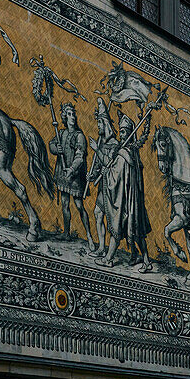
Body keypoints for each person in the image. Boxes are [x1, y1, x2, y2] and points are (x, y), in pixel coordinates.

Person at [100, 113, 152, 271]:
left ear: (129, 133)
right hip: (131, 200)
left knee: (121, 228)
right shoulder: (130, 152)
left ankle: (109, 259)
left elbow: (115, 177)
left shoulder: (125, 155)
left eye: (123, 132)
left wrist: (106, 172)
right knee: (136, 232)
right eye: (120, 131)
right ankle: (141, 258)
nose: (120, 134)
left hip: (126, 201)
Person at [49, 102, 94, 248]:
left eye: (73, 113)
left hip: (74, 176)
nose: (72, 116)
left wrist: (72, 169)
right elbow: (51, 144)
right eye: (69, 114)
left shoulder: (79, 136)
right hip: (62, 173)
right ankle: (66, 233)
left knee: (79, 206)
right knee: (64, 204)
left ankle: (89, 236)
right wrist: (57, 148)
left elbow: (80, 156)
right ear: (64, 117)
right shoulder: (61, 133)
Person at [87, 99, 118, 257]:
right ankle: (101, 247)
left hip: (112, 189)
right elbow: (99, 167)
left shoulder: (114, 144)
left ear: (105, 124)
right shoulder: (102, 143)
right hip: (102, 187)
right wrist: (91, 175)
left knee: (110, 220)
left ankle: (108, 252)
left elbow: (109, 163)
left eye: (100, 123)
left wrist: (97, 149)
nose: (98, 126)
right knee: (98, 214)